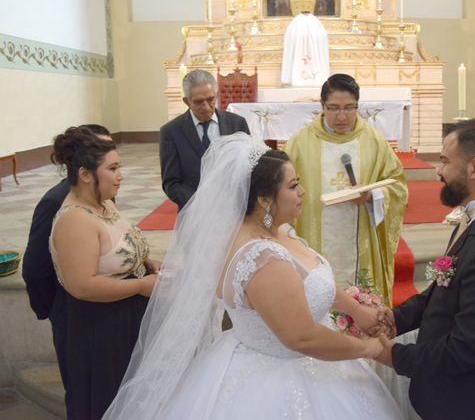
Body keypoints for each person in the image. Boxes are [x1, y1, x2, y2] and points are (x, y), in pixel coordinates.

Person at [104, 133, 401, 419]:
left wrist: (357, 310)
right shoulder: (263, 259)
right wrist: (370, 348)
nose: (302, 192)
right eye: (293, 185)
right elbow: (302, 337)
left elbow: (312, 281)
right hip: (282, 376)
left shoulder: (277, 231)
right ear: (263, 199)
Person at [373, 119, 475, 419]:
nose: (439, 170)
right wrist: (397, 318)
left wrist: (391, 355)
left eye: (445, 161)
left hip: (474, 404)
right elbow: (444, 288)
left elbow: (468, 347)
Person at [49, 127, 158, 420]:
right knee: (108, 400)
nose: (120, 175)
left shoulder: (104, 203)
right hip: (102, 328)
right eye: (113, 168)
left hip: (125, 319)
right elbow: (81, 285)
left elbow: (115, 250)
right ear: (85, 174)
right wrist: (140, 287)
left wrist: (146, 262)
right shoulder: (75, 220)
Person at [284, 74, 408, 302]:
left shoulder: (373, 140)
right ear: (322, 106)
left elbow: (397, 184)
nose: (342, 116)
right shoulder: (300, 143)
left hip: (359, 237)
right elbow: (281, 188)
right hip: (314, 239)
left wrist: (373, 196)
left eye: (350, 108)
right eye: (334, 108)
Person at [22, 124, 112, 397]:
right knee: (82, 387)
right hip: (73, 313)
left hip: (105, 313)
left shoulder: (104, 195)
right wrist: (54, 312)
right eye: (101, 151)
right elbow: (35, 269)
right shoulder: (56, 202)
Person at [160, 69, 250, 210]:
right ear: (186, 101)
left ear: (217, 95)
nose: (206, 107)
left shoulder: (237, 124)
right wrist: (199, 202)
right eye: (198, 102)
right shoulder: (171, 132)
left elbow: (249, 167)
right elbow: (171, 183)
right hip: (195, 212)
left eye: (210, 99)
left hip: (235, 208)